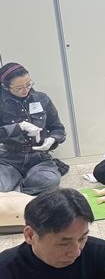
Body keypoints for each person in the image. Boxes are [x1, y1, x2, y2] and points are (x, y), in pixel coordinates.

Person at [0, 62, 67, 195]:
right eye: (19, 88)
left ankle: (15, 190)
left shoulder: (42, 98)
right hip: (8, 159)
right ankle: (14, 187)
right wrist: (18, 127)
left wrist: (52, 140)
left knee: (50, 182)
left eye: (28, 84)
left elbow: (58, 128)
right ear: (5, 87)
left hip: (38, 158)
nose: (26, 90)